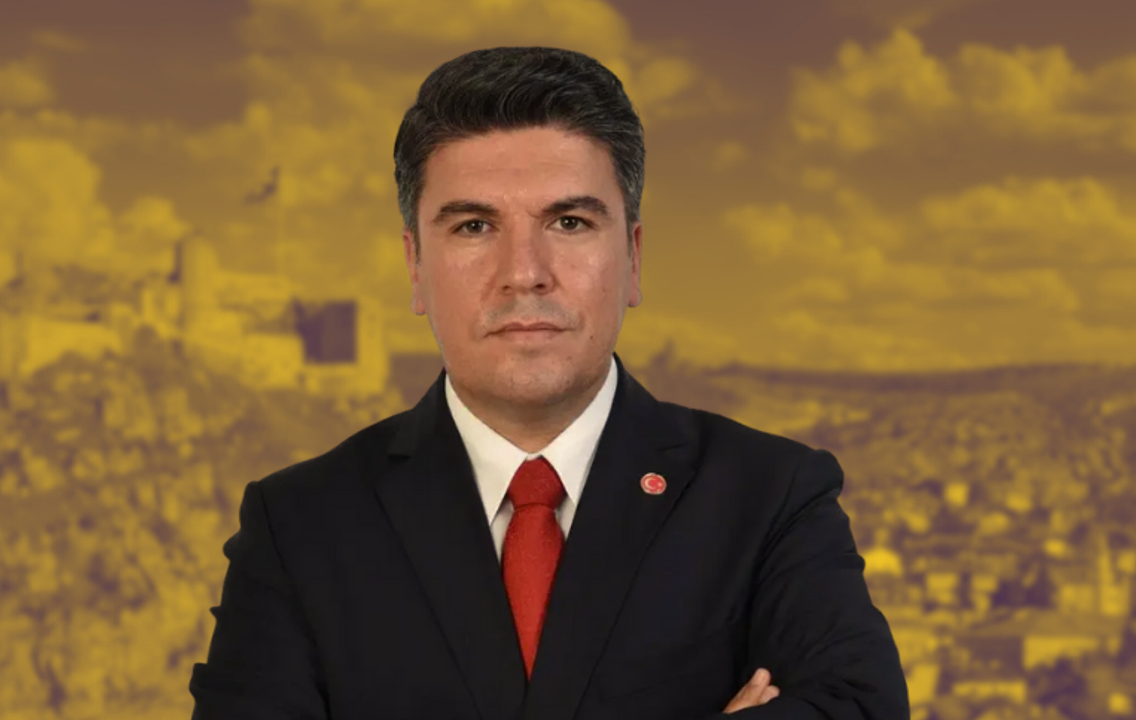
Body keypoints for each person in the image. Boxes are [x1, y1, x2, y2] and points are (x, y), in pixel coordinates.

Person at [189, 46, 909, 720]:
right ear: (415, 268)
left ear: (633, 259)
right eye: (474, 227)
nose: (524, 272)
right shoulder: (299, 526)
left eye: (568, 221)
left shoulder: (770, 497)